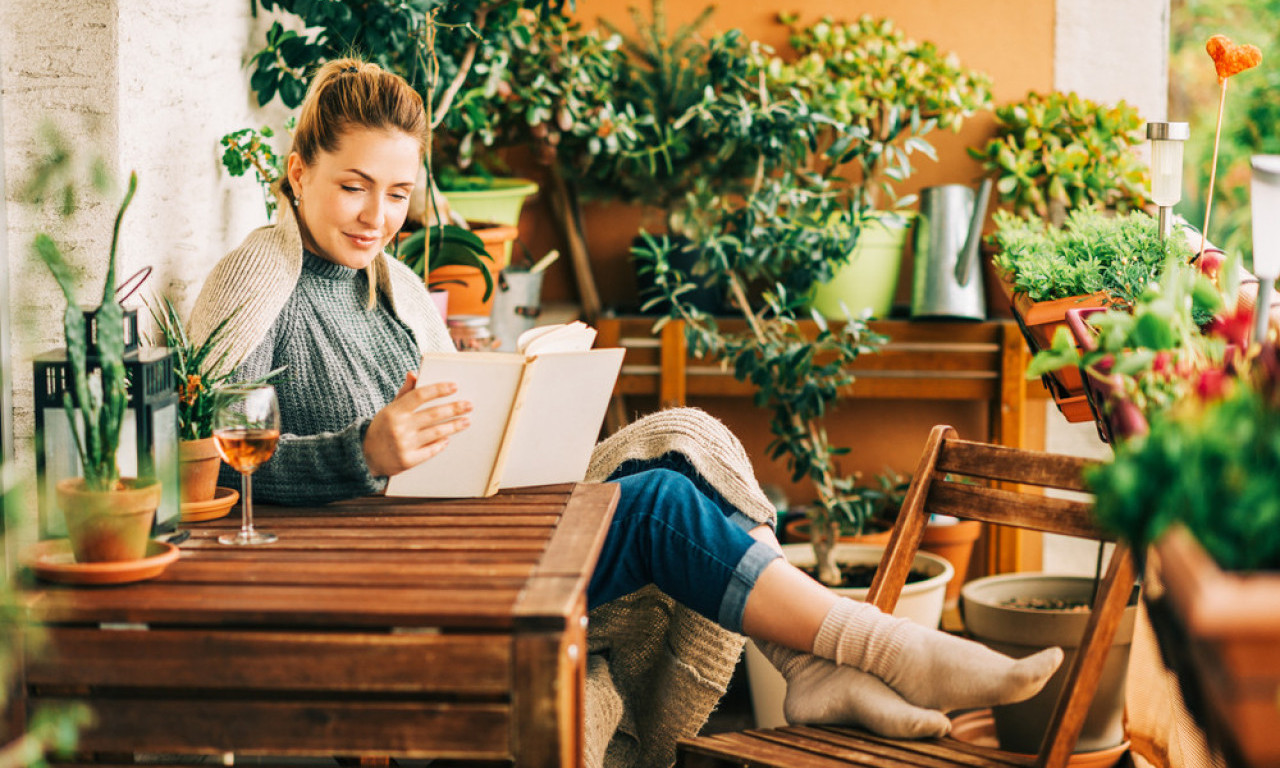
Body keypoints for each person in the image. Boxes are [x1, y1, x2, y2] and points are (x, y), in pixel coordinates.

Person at [189, 58, 1062, 765]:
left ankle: (812, 662)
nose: (377, 216)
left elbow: (451, 434)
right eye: (354, 186)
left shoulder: (397, 289)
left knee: (680, 449)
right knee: (658, 505)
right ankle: (878, 649)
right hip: (396, 573)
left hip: (459, 535)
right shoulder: (260, 274)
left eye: (396, 194)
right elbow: (203, 465)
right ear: (297, 170)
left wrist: (520, 397)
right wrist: (361, 452)